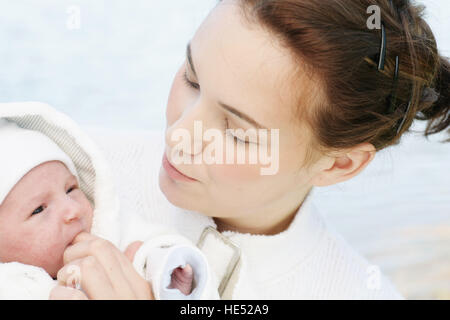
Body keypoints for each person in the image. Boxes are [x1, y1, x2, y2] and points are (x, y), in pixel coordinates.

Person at [50, 0, 449, 299]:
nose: (177, 136)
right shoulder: (63, 165)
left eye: (238, 133)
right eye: (192, 79)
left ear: (340, 163)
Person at [0, 108, 219, 300]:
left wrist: (168, 276)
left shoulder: (108, 234)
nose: (73, 210)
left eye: (71, 189)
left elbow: (155, 245)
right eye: (38, 209)